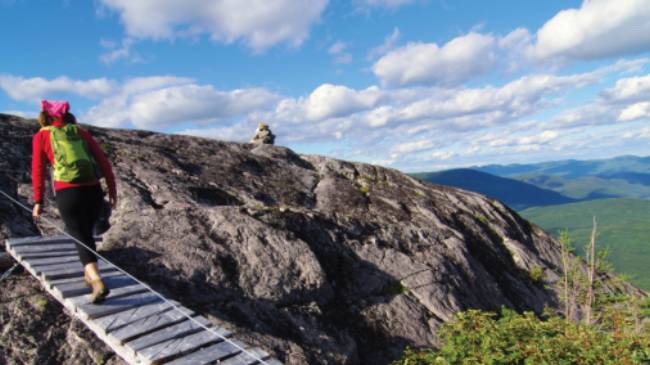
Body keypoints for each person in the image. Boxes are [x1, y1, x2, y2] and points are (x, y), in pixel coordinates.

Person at [32, 100, 117, 304]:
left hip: (68, 192)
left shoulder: (42, 135)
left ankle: (96, 279)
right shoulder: (80, 133)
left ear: (46, 116)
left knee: (79, 234)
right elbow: (103, 161)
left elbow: (38, 169)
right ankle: (88, 275)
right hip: (93, 190)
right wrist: (112, 190)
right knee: (85, 232)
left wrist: (38, 200)